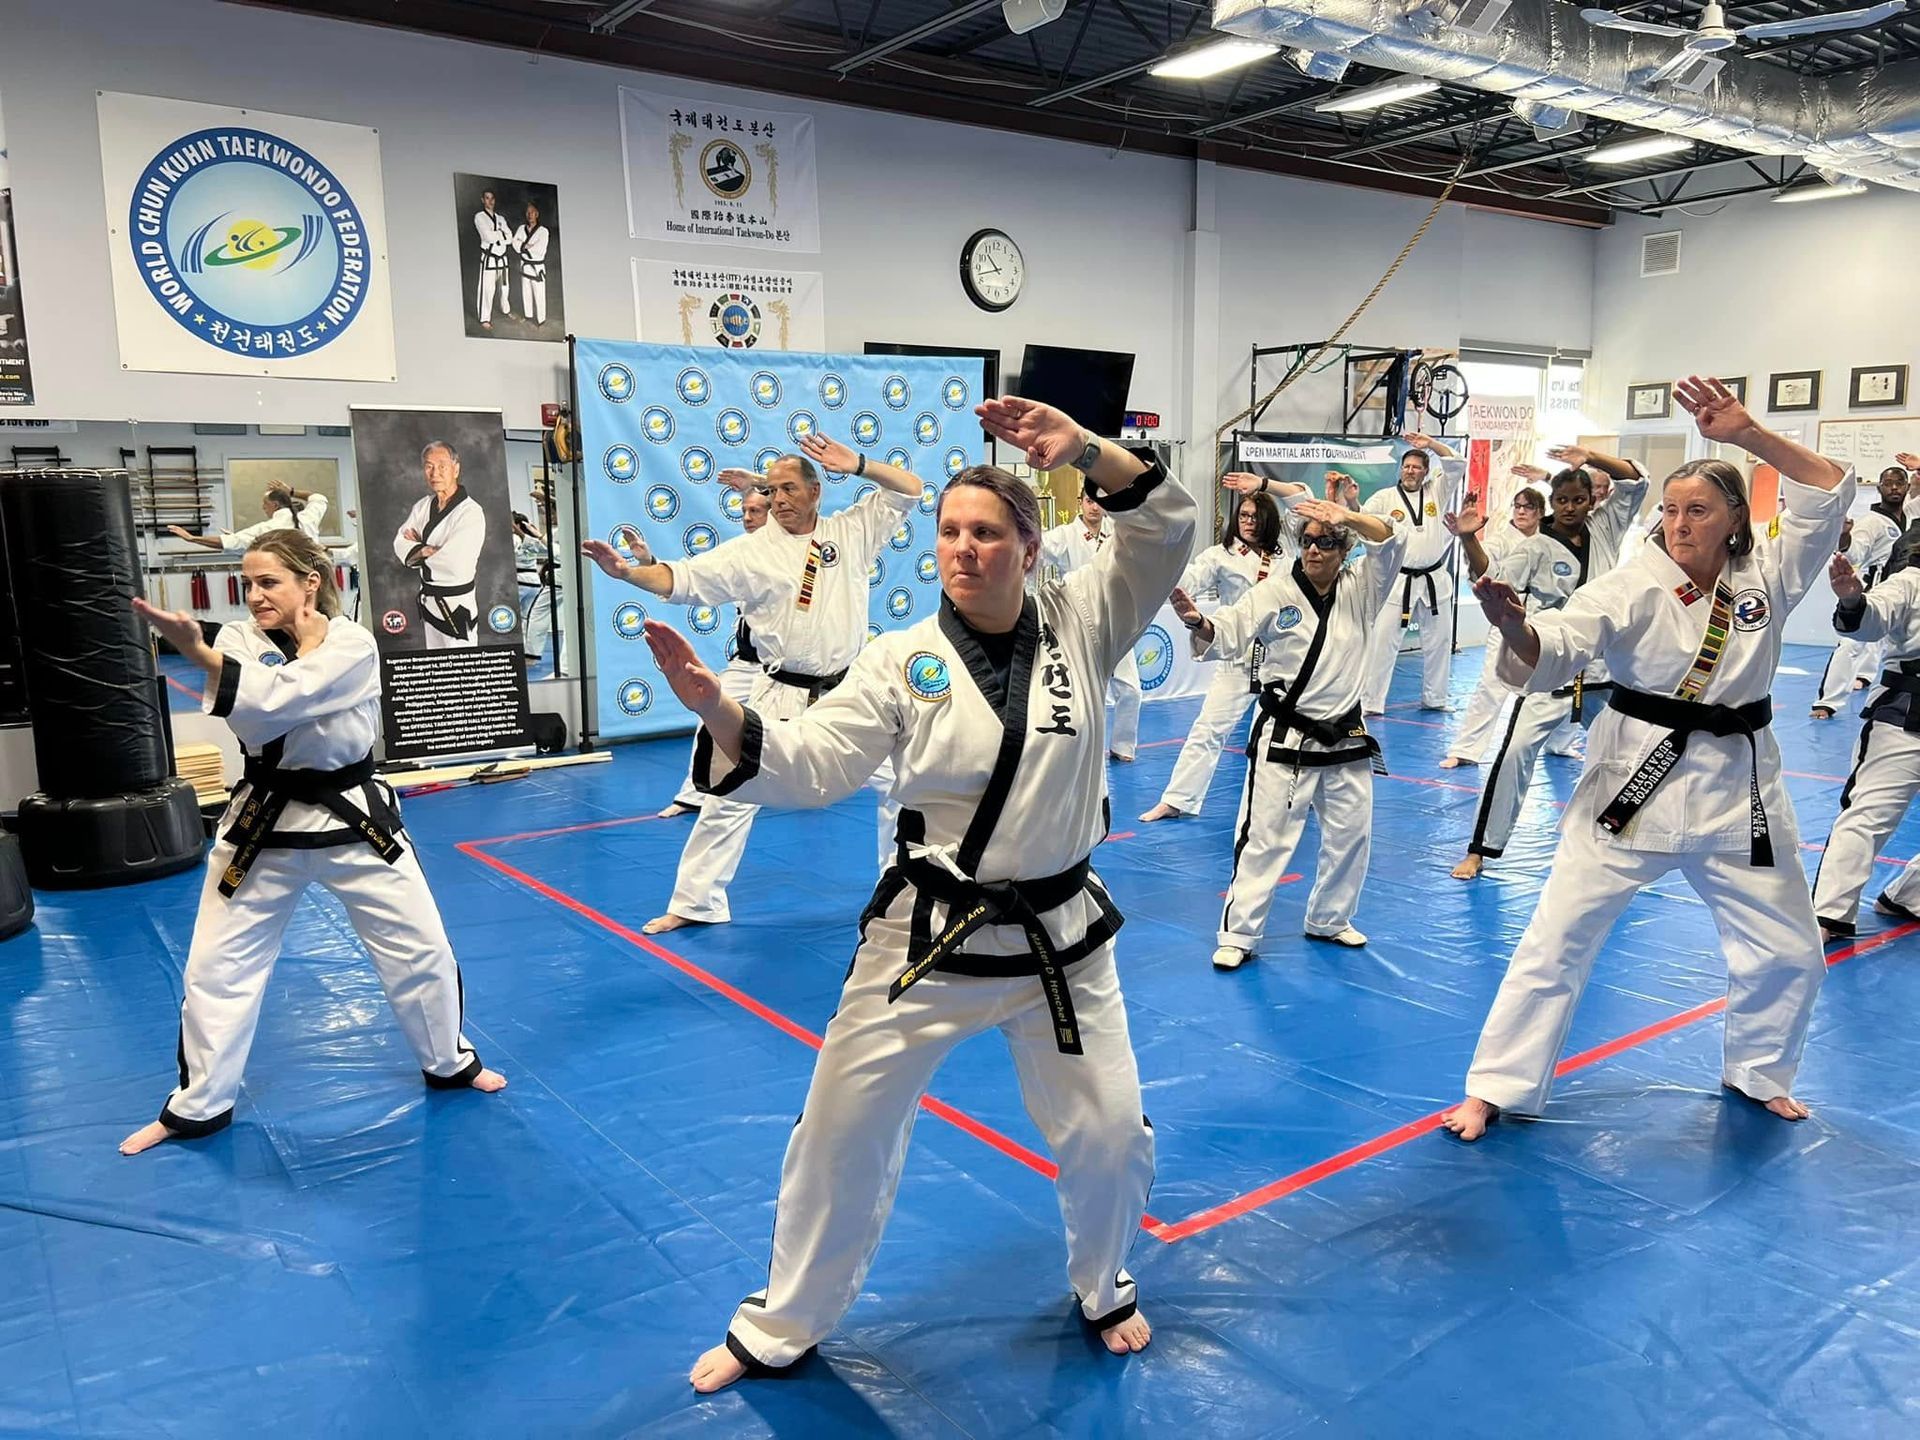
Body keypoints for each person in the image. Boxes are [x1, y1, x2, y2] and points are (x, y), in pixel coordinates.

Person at [651, 395, 1191, 1393]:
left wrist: (1085, 452)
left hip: (1059, 939)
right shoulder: (904, 661)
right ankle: (783, 1320)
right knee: (839, 1131)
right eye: (949, 531)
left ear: (1030, 548)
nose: (963, 548)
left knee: (1112, 1131)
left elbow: (1167, 527)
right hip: (927, 936)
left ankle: (1103, 1281)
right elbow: (811, 767)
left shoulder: (1087, 618)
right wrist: (717, 708)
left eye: (987, 532)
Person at [1442, 376, 1853, 1143]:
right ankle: (1495, 1089)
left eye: (1697, 511)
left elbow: (1825, 490)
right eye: (1669, 510)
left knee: (1792, 949)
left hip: (1741, 792)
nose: (1677, 524)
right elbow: (1557, 644)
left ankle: (1760, 1072)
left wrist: (1749, 435)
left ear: (1736, 519)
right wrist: (1513, 628)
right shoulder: (1633, 584)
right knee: (1554, 941)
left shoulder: (1769, 573)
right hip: (1632, 790)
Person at [118, 529, 506, 1156]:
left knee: (422, 950)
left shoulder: (353, 642)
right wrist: (206, 651)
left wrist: (200, 652)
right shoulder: (241, 639)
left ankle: (449, 1063)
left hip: (356, 821)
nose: (255, 594)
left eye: (269, 581)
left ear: (311, 583)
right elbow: (262, 713)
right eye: (247, 583)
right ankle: (197, 1108)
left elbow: (276, 698)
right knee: (218, 968)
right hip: (262, 829)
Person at [583, 432, 914, 934]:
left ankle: (900, 888)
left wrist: (861, 462)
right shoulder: (750, 552)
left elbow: (909, 488)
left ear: (815, 491)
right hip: (779, 692)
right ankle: (696, 902)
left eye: (788, 489)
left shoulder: (852, 531)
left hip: (847, 692)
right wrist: (629, 574)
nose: (778, 499)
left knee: (907, 784)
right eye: (772, 491)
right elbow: (681, 579)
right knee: (729, 795)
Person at [1174, 485, 1403, 966]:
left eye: (1327, 542)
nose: (1315, 549)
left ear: (1345, 552)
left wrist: (1347, 515)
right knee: (1265, 838)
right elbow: (1231, 630)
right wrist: (1199, 622)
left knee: (1350, 837)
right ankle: (1239, 934)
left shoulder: (1363, 587)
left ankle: (1330, 919)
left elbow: (1390, 540)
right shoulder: (1275, 591)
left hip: (1344, 736)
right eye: (1309, 541)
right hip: (1286, 737)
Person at [1449, 447, 1651, 881]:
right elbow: (1490, 577)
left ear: (1592, 500)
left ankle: (1623, 835)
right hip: (1550, 668)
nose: (1571, 508)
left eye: (1579, 499)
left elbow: (1636, 479)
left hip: (1601, 669)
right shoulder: (1535, 545)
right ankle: (1481, 849)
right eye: (1562, 501)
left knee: (1625, 755)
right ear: (1551, 502)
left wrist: (1593, 457)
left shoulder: (1607, 528)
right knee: (1515, 753)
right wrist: (1468, 540)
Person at [1140, 479, 1284, 822]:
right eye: (1243, 515)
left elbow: (1301, 497)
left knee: (1294, 731)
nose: (1248, 521)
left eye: (1255, 516)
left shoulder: (1285, 554)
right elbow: (1188, 579)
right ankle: (1177, 799)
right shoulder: (1221, 556)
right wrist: (1159, 570)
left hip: (1282, 658)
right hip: (1238, 656)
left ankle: (1303, 793)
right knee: (1208, 729)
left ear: (1268, 521)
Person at [1811, 549, 1920, 937]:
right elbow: (1872, 620)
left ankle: (1909, 896)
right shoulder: (1911, 581)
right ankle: (1828, 913)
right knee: (1868, 816)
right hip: (1905, 720)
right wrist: (1853, 600)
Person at [659, 485, 771, 820]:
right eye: (744, 511)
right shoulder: (740, 554)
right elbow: (694, 581)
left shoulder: (796, 550)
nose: (748, 518)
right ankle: (694, 795)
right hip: (747, 664)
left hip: (794, 669)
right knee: (710, 715)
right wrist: (649, 565)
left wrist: (756, 478)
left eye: (756, 511)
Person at [1440, 482, 1546, 768]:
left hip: (1545, 616)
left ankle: (1562, 743)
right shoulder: (1501, 540)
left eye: (1529, 507)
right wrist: (1467, 538)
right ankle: (1466, 749)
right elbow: (1480, 567)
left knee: (1559, 683)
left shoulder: (1549, 539)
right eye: (1518, 506)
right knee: (1492, 682)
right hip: (1508, 616)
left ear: (1540, 513)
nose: (1522, 511)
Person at [1360, 432, 1466, 713]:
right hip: (1399, 580)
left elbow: (1456, 463)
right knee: (1383, 642)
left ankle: (1436, 699)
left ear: (1425, 471)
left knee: (1440, 641)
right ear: (1401, 469)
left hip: (1433, 578)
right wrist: (1350, 502)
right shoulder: (1385, 498)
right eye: (1406, 466)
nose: (1410, 471)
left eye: (1417, 467)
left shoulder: (1437, 491)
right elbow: (1362, 519)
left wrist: (1430, 444)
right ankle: (1371, 702)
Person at [1041, 485, 1142, 761]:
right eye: (1089, 501)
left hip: (1117, 619)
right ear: (1080, 502)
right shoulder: (1066, 535)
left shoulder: (1118, 532)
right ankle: (1076, 749)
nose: (1094, 507)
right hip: (1078, 623)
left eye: (1099, 502)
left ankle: (1123, 746)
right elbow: (1037, 550)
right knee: (1079, 694)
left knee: (1131, 690)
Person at [1811, 465, 1908, 719]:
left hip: (1905, 588)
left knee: (1891, 641)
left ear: (1908, 487)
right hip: (1876, 585)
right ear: (1879, 489)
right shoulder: (1872, 522)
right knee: (1853, 642)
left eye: (1899, 482)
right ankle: (1827, 701)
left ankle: (1865, 676)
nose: (1894, 487)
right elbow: (1854, 551)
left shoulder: (1910, 515)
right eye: (1888, 483)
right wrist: (1843, 538)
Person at [393, 439, 487, 649]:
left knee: (463, 670)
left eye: (442, 466)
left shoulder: (470, 512)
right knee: (436, 668)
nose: (435, 473)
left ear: (456, 469)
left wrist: (418, 551)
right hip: (429, 603)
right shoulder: (423, 506)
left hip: (457, 606)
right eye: (429, 466)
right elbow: (400, 542)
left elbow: (455, 562)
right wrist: (425, 550)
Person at [170, 483, 330, 552]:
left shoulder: (267, 529)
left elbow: (229, 543)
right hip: (318, 580)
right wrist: (292, 491)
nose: (263, 508)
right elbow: (319, 498)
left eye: (264, 504)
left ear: (274, 505)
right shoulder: (308, 517)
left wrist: (192, 538)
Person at [472, 188, 514, 329]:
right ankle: (484, 318)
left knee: (505, 287)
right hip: (489, 259)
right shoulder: (479, 217)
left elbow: (510, 238)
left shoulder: (501, 218)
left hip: (502, 259)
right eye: (487, 198)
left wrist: (498, 234)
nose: (490, 201)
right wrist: (501, 234)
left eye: (492, 198)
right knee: (487, 289)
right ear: (483, 200)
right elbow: (487, 237)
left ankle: (506, 310)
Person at [513, 201, 550, 328]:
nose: (530, 215)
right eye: (528, 212)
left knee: (539, 293)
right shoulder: (520, 229)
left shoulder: (543, 231)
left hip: (536, 267)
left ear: (537, 214)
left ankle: (540, 319)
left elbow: (541, 249)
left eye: (532, 212)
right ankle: (528, 315)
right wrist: (526, 246)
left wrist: (522, 246)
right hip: (525, 266)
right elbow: (514, 243)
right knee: (526, 292)